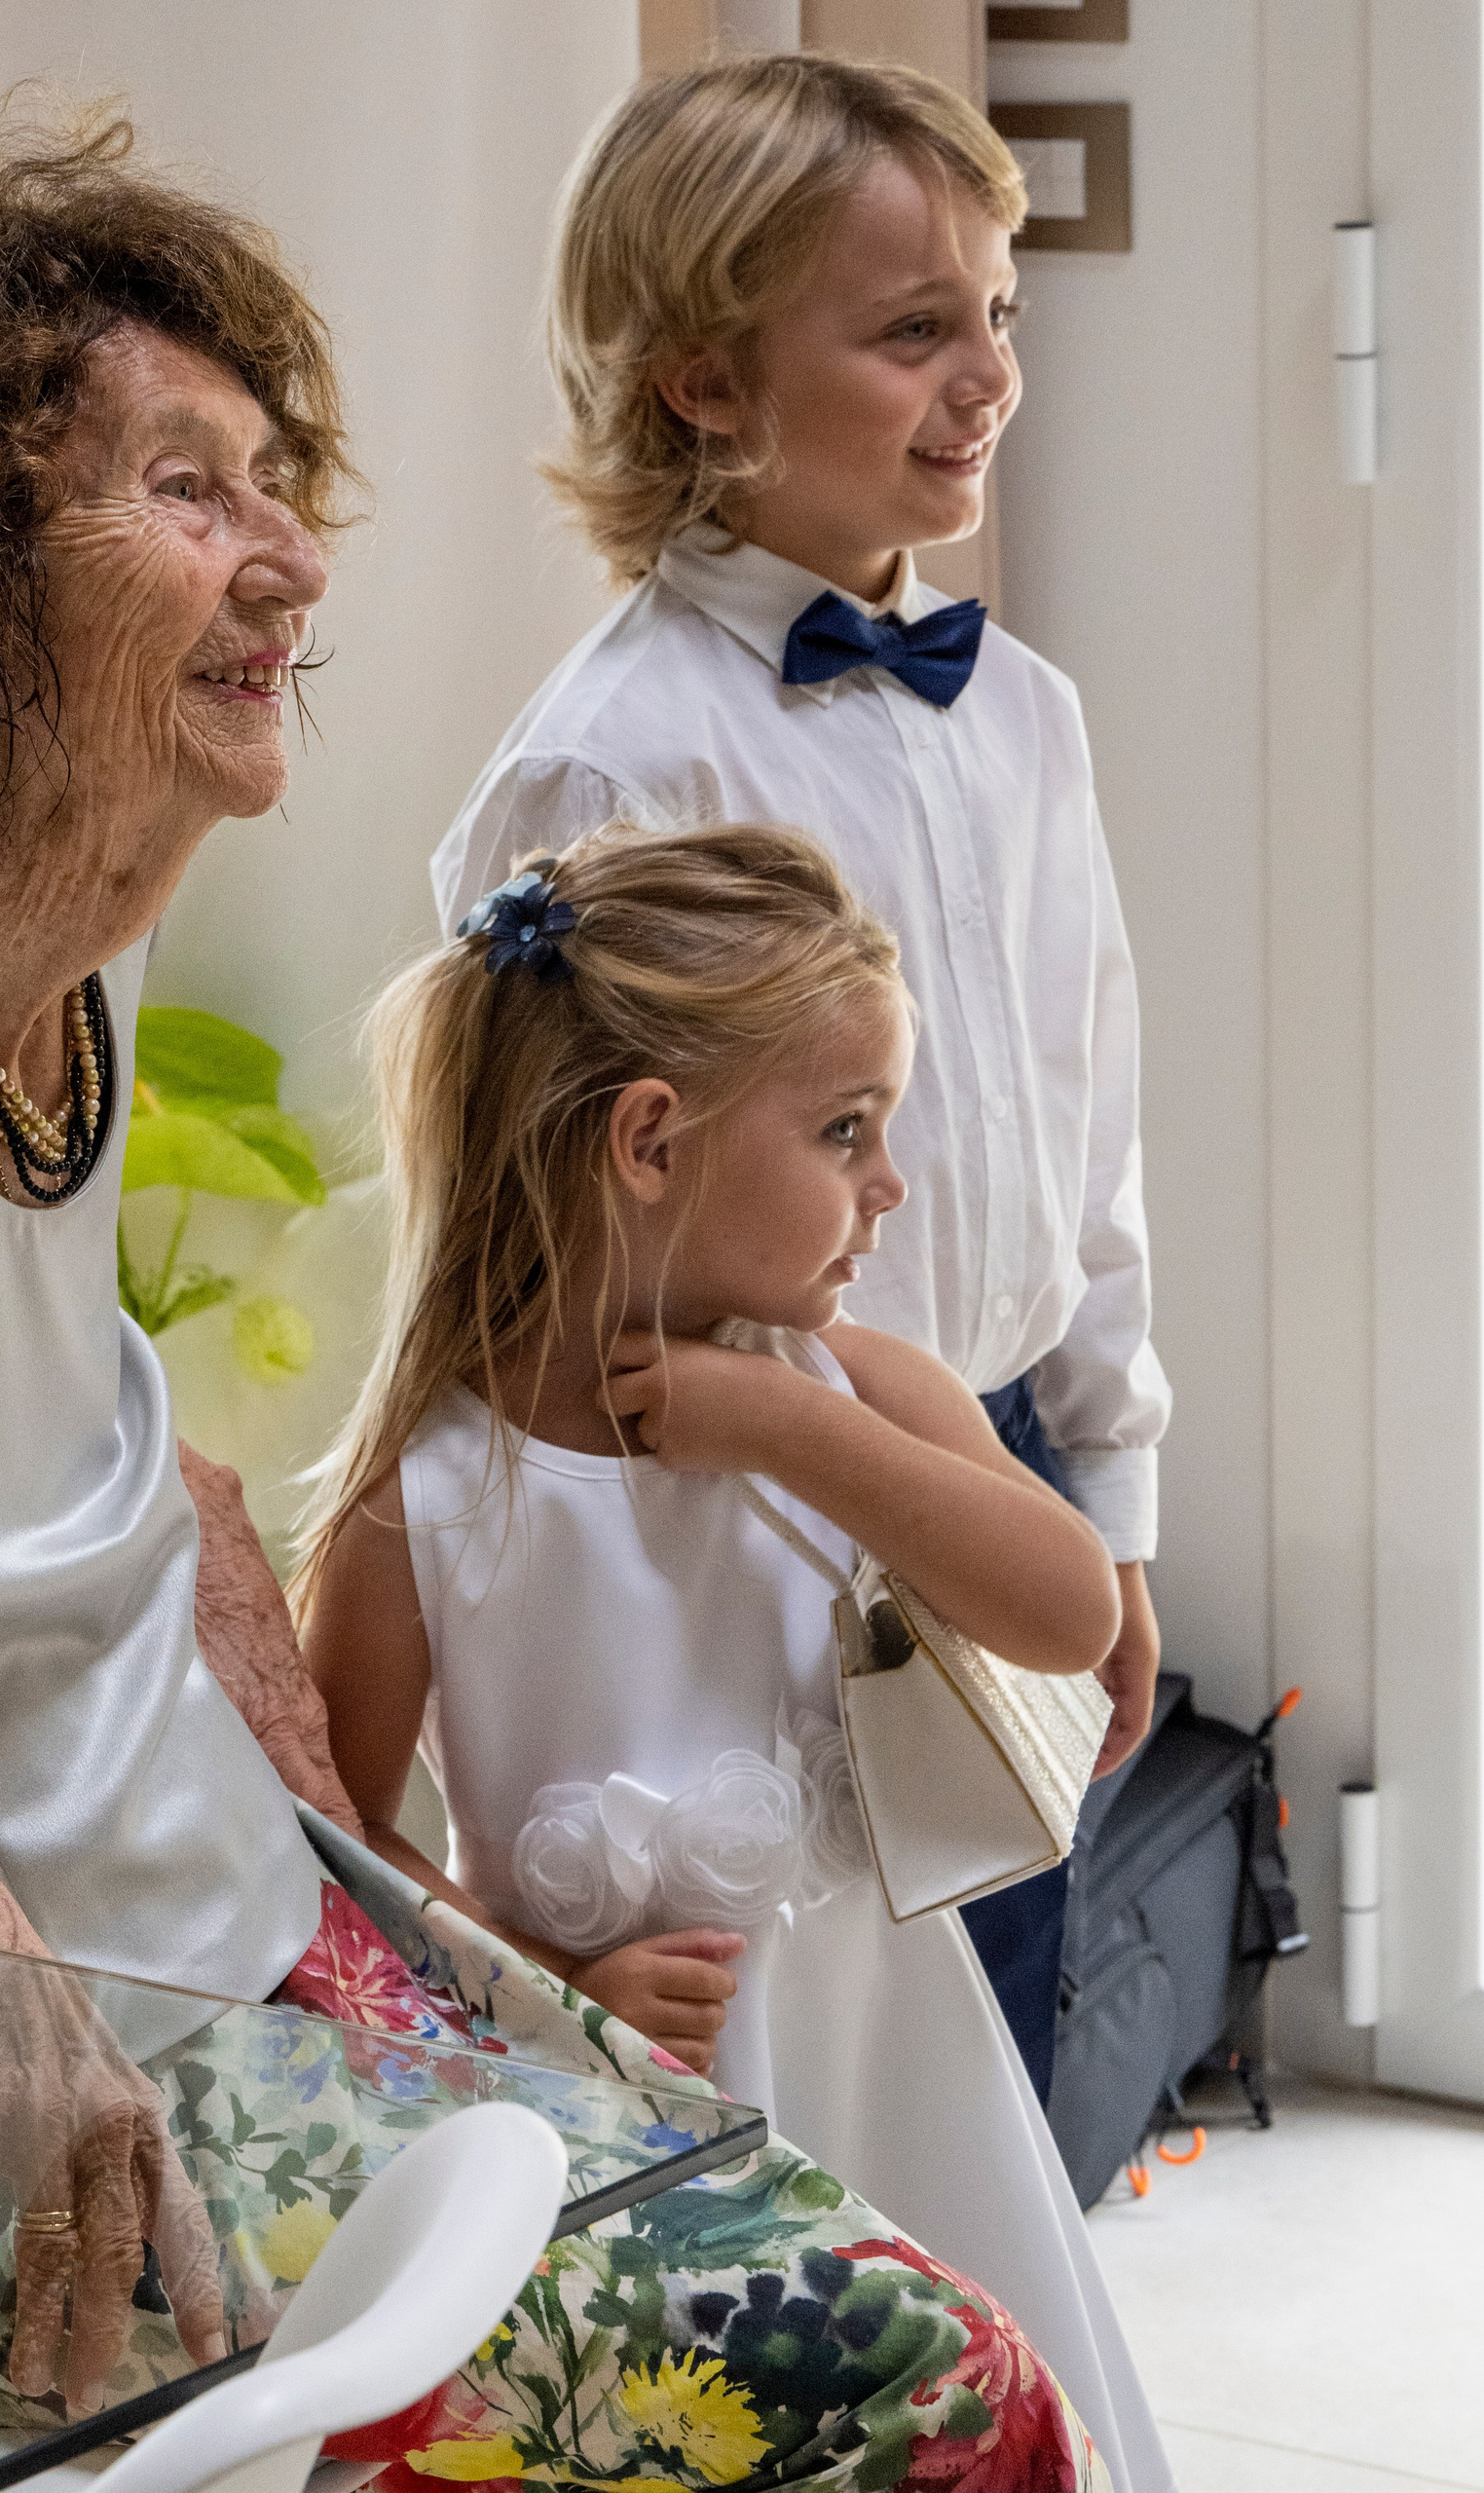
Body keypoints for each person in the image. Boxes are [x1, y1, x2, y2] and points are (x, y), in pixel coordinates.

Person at [0, 107, 1112, 2488]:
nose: (283, 561)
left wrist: (370, 1854)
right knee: (940, 2405)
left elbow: (97, 1436)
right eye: (182, 489)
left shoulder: (47, 950)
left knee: (885, 2295)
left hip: (201, 1937)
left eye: (273, 483)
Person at [428, 53, 1171, 2106]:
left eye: (995, 315)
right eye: (911, 327)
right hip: (729, 1476)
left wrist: (1099, 1492)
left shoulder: (1019, 713)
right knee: (783, 2066)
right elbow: (533, 1197)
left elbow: (1082, 1126)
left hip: (983, 1455)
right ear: (699, 380)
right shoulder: (607, 760)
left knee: (980, 2042)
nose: (984, 375)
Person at [300, 821, 1169, 2493]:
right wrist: (546, 1989)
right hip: (632, 2104)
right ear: (649, 1139)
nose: (888, 1184)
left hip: (889, 2065)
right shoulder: (430, 1489)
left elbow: (1072, 1613)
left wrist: (783, 1425)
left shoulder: (851, 1392)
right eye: (846, 1132)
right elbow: (347, 1842)